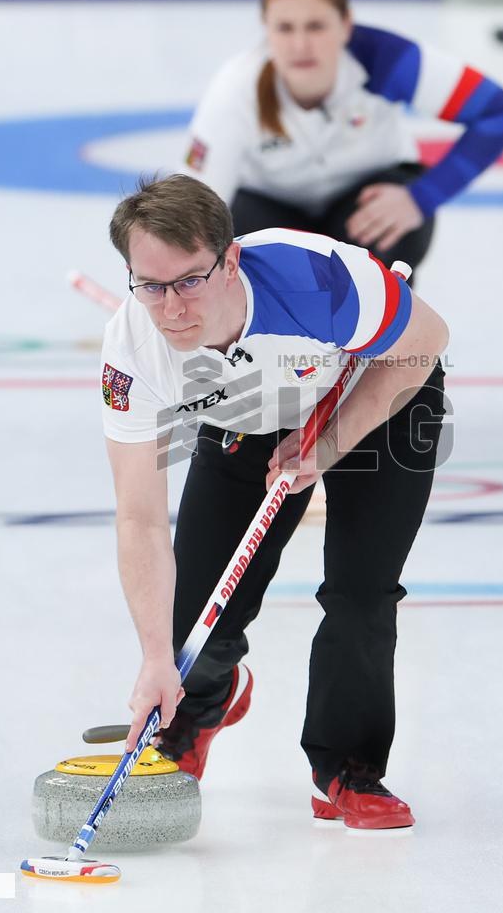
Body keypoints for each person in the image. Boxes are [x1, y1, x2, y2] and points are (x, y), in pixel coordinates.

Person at [101, 173, 449, 830]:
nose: (171, 308)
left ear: (229, 260)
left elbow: (426, 339)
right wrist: (154, 658)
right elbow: (138, 517)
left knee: (360, 592)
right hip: (253, 409)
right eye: (149, 286)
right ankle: (203, 703)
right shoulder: (132, 350)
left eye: (188, 281)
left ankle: (347, 768)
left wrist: (333, 442)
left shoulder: (314, 279)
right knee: (192, 619)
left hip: (378, 393)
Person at [181, 0, 503, 281]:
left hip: (366, 205)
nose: (300, 45)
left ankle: (388, 333)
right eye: (285, 28)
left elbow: (499, 113)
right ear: (266, 30)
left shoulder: (388, 60)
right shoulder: (236, 87)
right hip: (270, 209)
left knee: (395, 236)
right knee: (228, 240)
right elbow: (194, 211)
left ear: (346, 25)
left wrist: (422, 197)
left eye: (316, 26)